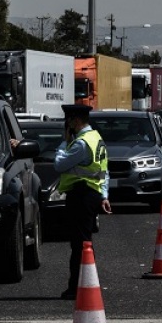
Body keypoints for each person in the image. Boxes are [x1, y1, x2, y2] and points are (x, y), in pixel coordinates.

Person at [55, 103, 111, 299]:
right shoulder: (96, 138)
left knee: (79, 244)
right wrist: (104, 195)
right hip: (92, 194)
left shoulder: (80, 143)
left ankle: (78, 288)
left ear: (76, 121)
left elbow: (59, 164)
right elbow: (104, 171)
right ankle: (88, 283)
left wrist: (63, 143)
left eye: (69, 120)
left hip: (81, 195)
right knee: (85, 242)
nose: (67, 124)